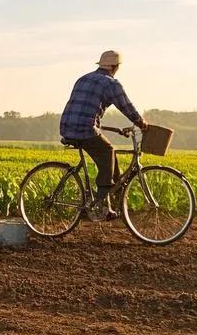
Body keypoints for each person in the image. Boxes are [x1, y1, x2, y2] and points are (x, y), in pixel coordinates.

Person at [59, 50, 148, 219]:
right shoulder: (111, 83)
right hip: (84, 129)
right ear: (115, 67)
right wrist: (141, 123)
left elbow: (85, 111)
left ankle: (109, 204)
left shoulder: (83, 78)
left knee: (108, 157)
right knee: (108, 151)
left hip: (67, 126)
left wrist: (108, 127)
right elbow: (126, 106)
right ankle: (100, 203)